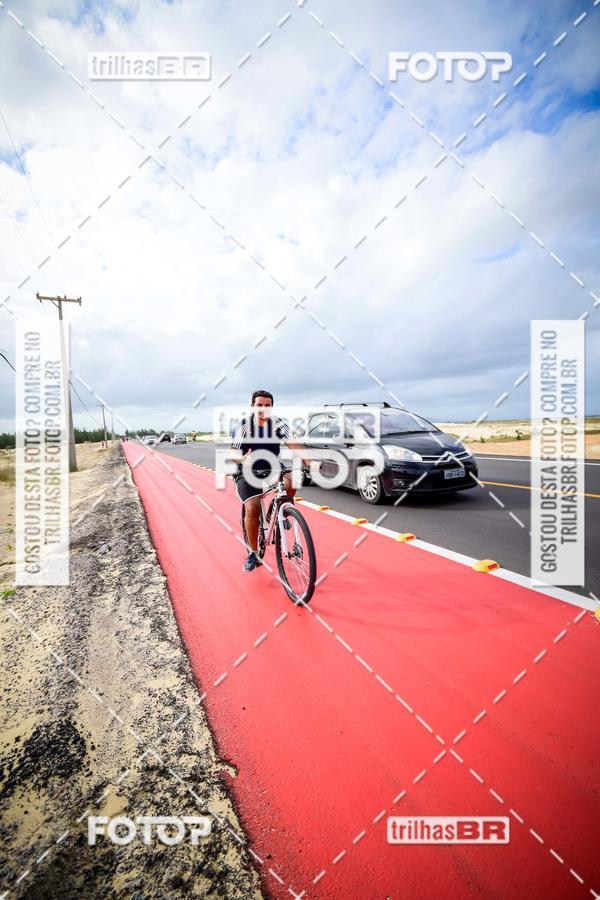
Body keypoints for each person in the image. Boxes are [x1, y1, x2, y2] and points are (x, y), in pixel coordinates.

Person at [231, 390, 305, 572]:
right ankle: (253, 552)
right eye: (259, 405)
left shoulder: (278, 424)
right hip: (247, 470)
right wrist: (243, 459)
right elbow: (234, 454)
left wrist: (310, 460)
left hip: (272, 467)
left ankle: (278, 509)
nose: (263, 409)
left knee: (293, 480)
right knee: (253, 507)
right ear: (252, 407)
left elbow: (294, 444)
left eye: (267, 405)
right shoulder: (244, 427)